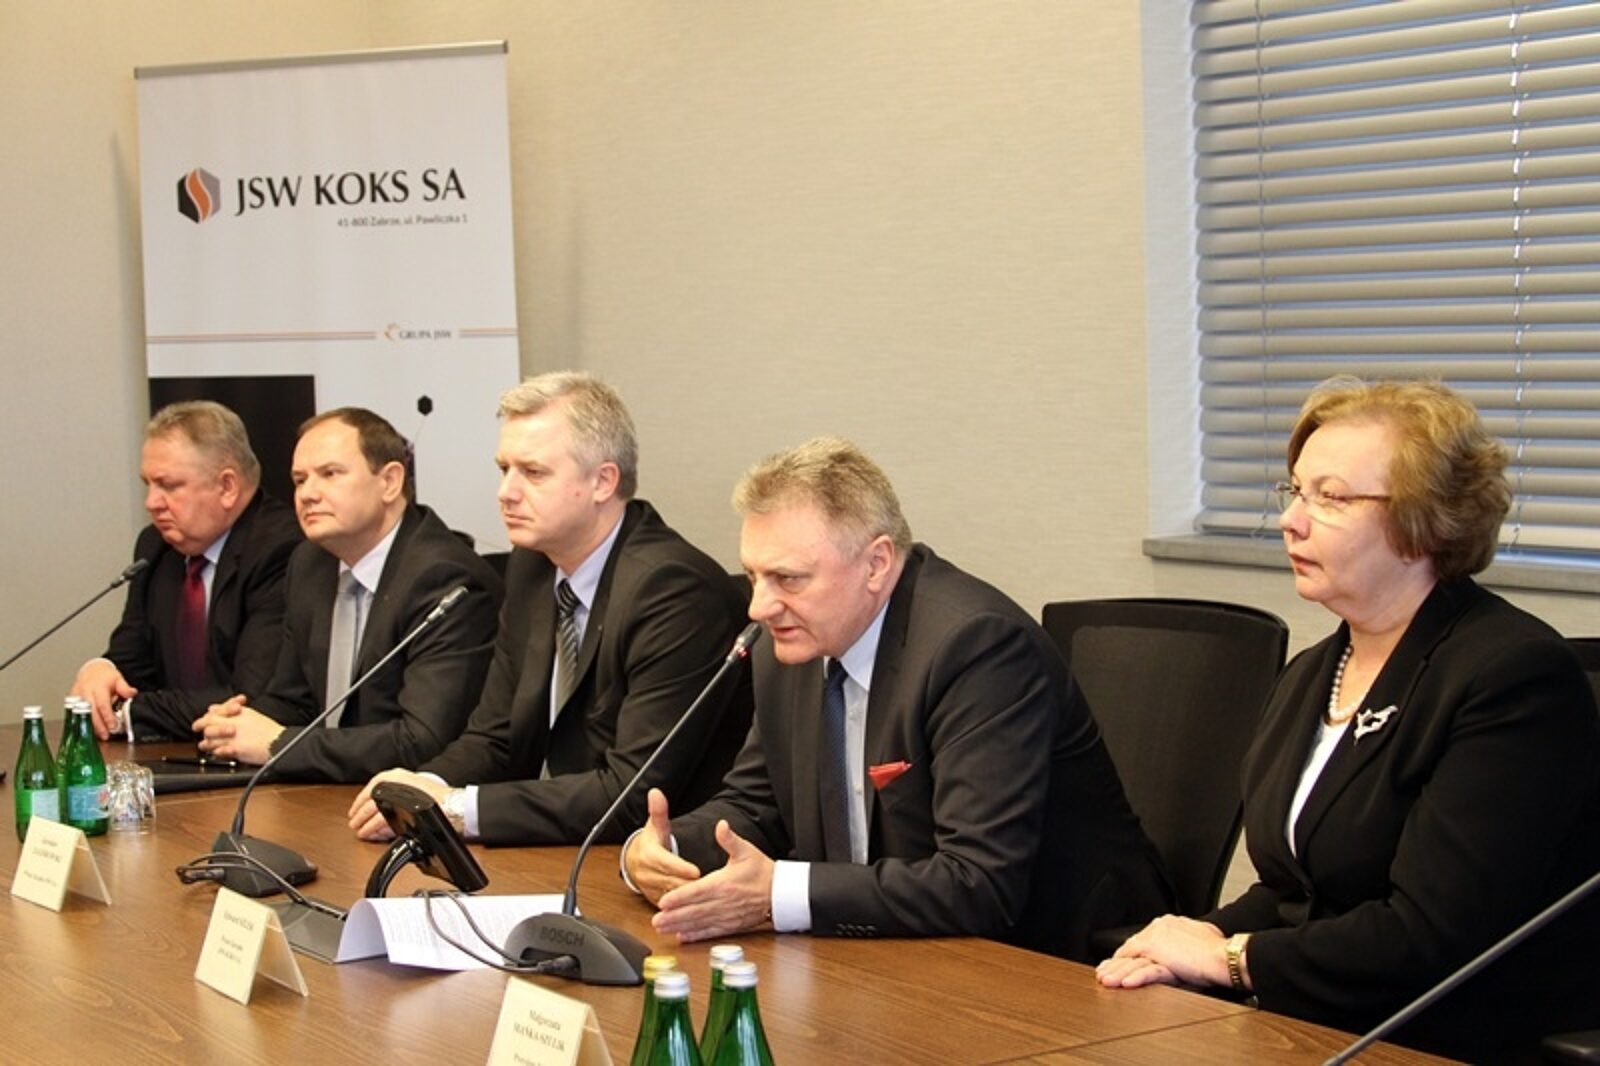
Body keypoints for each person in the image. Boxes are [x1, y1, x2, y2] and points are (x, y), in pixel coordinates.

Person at [1097, 378, 1600, 1058]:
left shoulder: (1512, 677)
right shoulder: (1313, 672)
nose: (1291, 519)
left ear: (1424, 522)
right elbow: (1295, 890)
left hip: (1451, 1034)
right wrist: (1188, 940)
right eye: (1295, 491)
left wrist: (1232, 959)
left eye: (1330, 498)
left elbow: (1432, 934)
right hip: (1321, 1016)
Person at [622, 437, 1170, 960]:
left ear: (877, 564)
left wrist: (778, 893)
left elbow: (979, 882)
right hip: (882, 948)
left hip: (1057, 962)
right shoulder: (789, 643)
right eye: (753, 576)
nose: (758, 607)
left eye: (788, 578)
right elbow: (754, 805)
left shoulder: (977, 649)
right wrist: (663, 849)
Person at [346, 372, 751, 844]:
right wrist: (424, 787)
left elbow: (629, 793)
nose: (506, 492)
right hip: (551, 841)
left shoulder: (673, 591)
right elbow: (495, 736)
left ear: (603, 481)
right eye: (504, 469)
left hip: (653, 858)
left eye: (533, 472)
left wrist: (455, 808)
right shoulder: (533, 566)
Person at [185, 407, 503, 780]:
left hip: (412, 795)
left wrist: (279, 744)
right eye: (300, 480)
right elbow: (296, 701)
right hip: (331, 789)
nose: (307, 494)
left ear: (390, 482)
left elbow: (422, 740)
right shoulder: (310, 563)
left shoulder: (446, 579)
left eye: (330, 474)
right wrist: (239, 725)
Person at [72, 400, 302, 741]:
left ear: (227, 486)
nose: (151, 503)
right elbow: (132, 662)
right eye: (148, 484)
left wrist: (126, 714)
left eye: (168, 485)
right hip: (173, 753)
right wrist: (100, 672)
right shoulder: (155, 547)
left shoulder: (283, 550)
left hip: (255, 763)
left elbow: (249, 699)